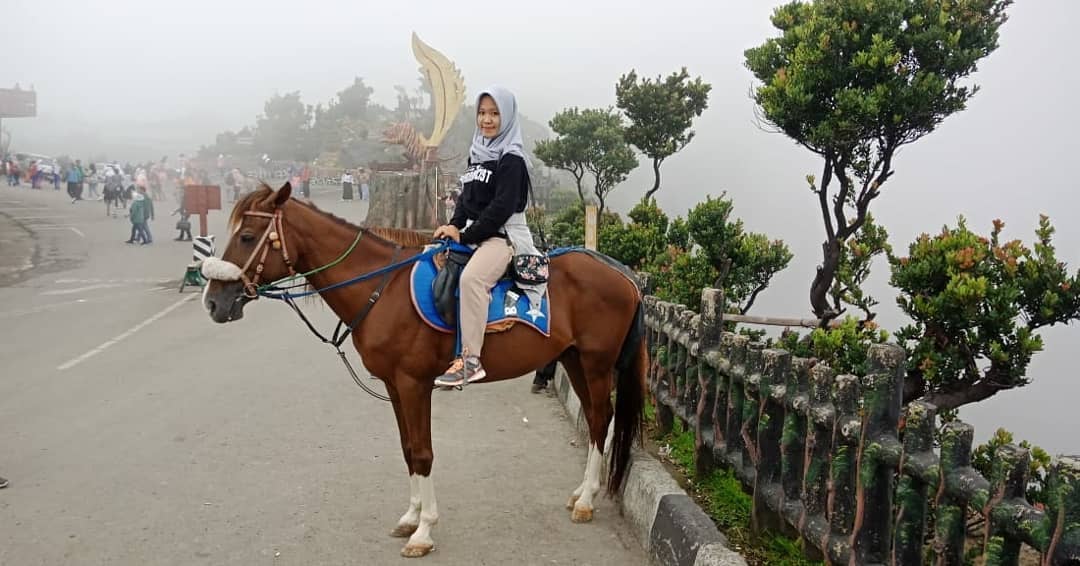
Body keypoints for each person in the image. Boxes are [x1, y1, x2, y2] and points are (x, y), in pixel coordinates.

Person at [432, 86, 541, 388]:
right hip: (476, 233)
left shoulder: (512, 159)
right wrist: (452, 226)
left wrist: (465, 235)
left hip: (503, 237)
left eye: (494, 113)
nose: (487, 120)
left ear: (506, 117)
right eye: (482, 113)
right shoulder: (478, 153)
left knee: (472, 280)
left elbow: (501, 209)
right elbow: (466, 199)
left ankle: (470, 361)